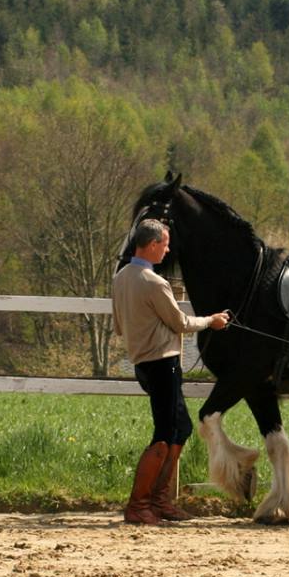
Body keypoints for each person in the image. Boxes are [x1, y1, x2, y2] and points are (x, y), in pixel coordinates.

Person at [112, 219, 229, 524]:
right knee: (164, 434)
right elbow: (181, 323)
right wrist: (211, 321)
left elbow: (118, 325)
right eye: (164, 244)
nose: (167, 250)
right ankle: (139, 504)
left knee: (181, 429)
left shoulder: (121, 278)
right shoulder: (154, 282)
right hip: (163, 363)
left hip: (143, 362)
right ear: (151, 245)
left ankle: (159, 501)